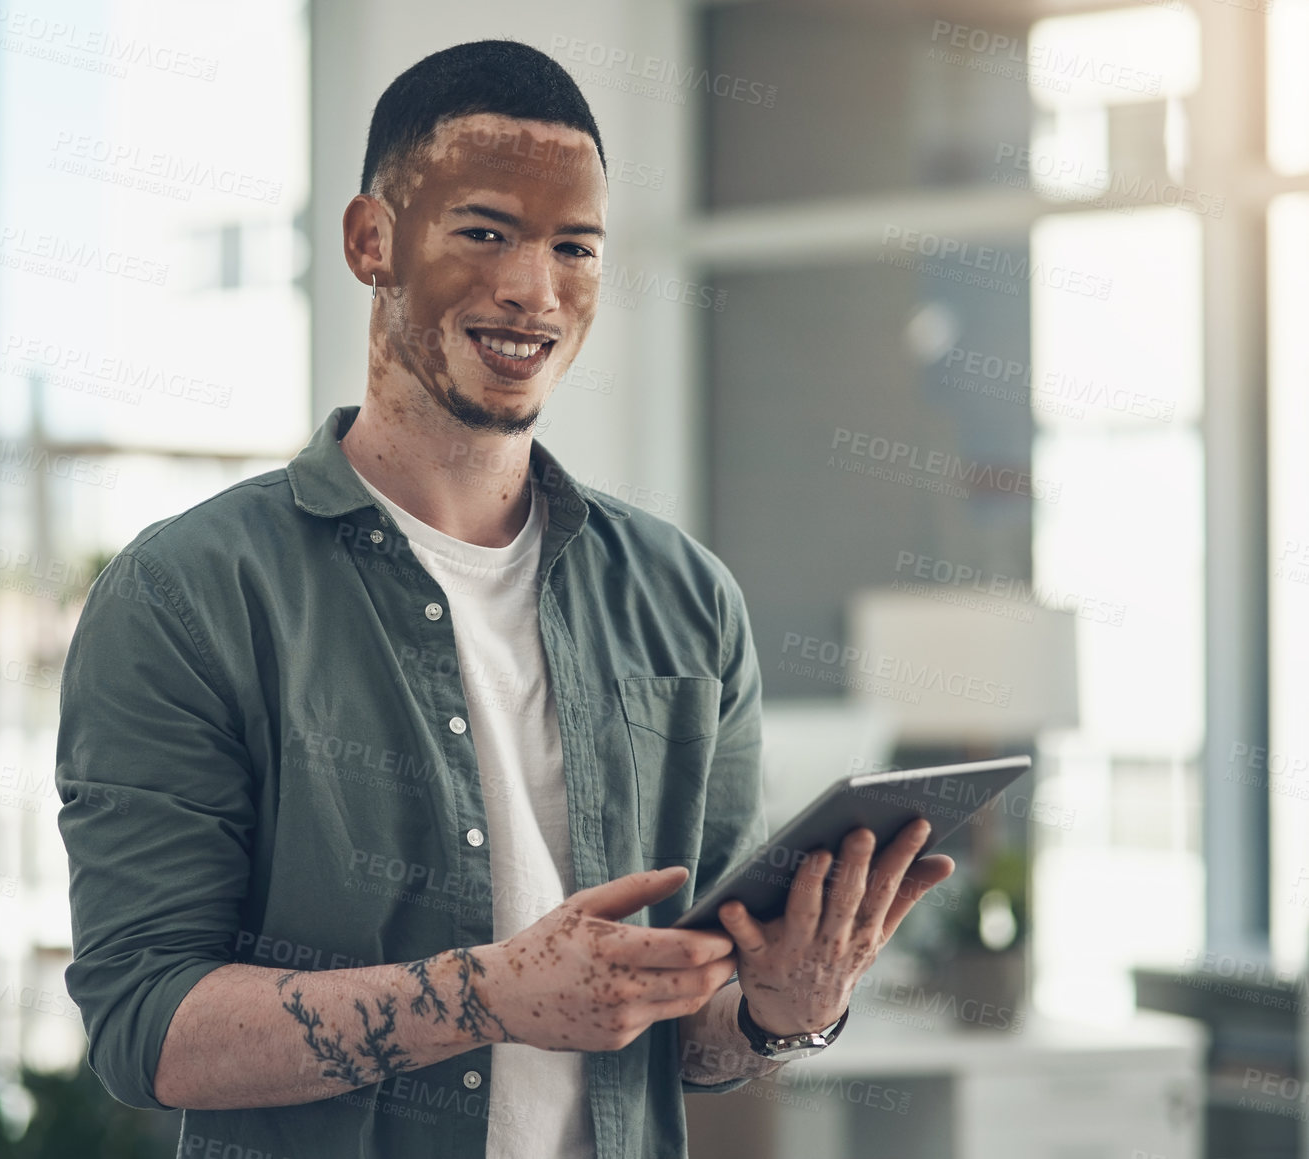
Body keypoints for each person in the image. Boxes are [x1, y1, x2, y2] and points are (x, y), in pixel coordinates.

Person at [55, 38, 954, 1159]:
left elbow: (693, 1038)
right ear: (369, 241)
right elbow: (149, 1027)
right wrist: (486, 995)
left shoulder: (687, 600)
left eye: (572, 247)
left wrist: (788, 1008)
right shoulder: (187, 594)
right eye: (484, 231)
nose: (532, 289)